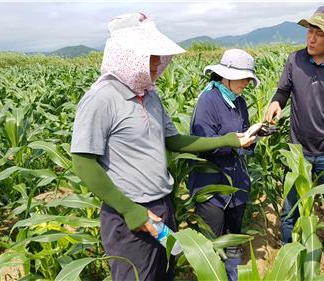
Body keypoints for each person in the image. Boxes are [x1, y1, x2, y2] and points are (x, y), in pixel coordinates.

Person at [70, 13, 255, 281]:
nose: (157, 63)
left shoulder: (151, 96)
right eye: (150, 56)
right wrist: (129, 210)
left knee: (165, 272)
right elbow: (83, 162)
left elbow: (175, 140)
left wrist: (228, 140)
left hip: (162, 208)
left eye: (159, 56)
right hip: (131, 216)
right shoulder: (102, 98)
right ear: (127, 56)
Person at [265, 6, 324, 272]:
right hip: (298, 149)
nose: (311, 38)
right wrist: (276, 103)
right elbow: (283, 90)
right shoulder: (294, 60)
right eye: (310, 30)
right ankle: (288, 250)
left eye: (319, 34)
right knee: (289, 207)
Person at [188, 49, 260, 281]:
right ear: (225, 76)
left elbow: (243, 137)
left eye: (249, 78)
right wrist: (234, 142)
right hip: (212, 187)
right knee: (212, 243)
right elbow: (203, 144)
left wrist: (251, 140)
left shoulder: (239, 101)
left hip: (237, 184)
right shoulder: (208, 101)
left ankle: (233, 275)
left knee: (233, 238)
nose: (247, 83)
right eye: (243, 78)